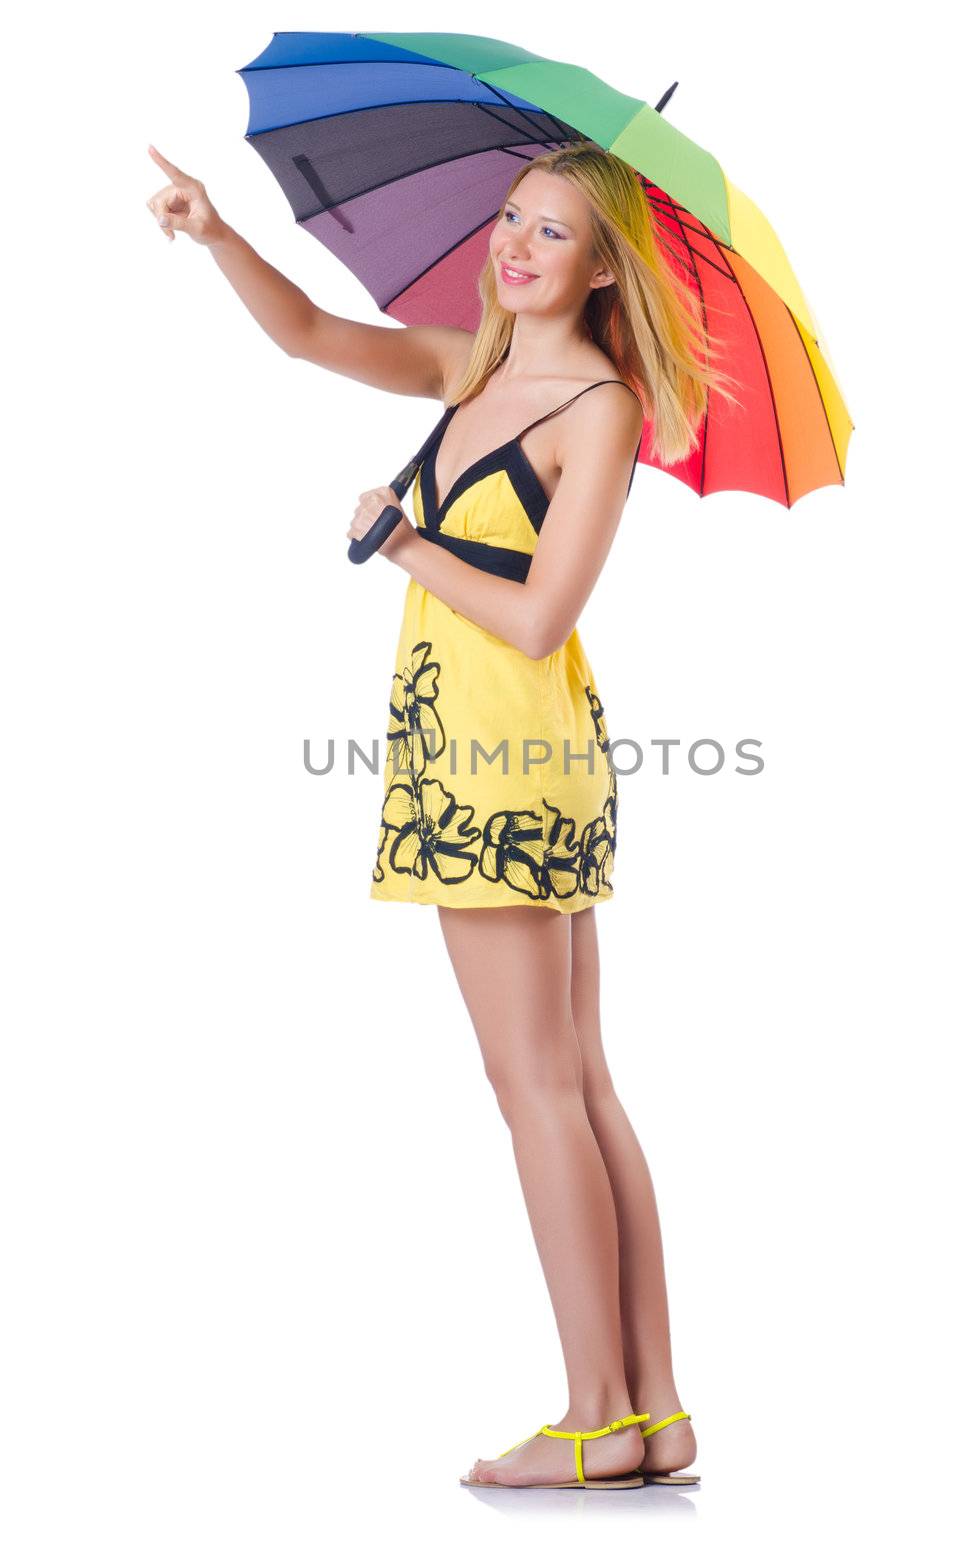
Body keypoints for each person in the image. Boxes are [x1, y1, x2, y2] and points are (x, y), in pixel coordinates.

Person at [145, 138, 726, 1489]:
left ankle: (593, 1420)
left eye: (557, 233)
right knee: (572, 1079)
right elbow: (308, 336)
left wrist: (402, 540)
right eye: (515, 219)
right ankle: (655, 1412)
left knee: (537, 1086)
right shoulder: (472, 368)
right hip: (484, 751)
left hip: (498, 756)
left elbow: (538, 616)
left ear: (603, 268)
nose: (518, 245)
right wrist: (217, 231)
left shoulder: (596, 406)